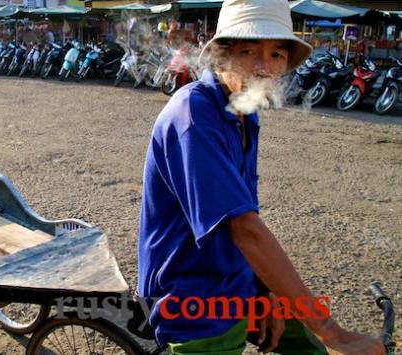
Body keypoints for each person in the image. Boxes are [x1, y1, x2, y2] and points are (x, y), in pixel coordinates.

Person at [137, 0, 387, 354]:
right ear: (221, 56)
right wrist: (335, 333)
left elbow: (244, 222)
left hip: (235, 280)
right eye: (249, 51)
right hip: (192, 295)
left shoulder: (245, 114)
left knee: (308, 342)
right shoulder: (193, 115)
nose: (264, 68)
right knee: (324, 336)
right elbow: (246, 230)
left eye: (276, 54)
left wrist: (265, 291)